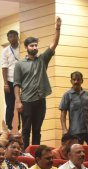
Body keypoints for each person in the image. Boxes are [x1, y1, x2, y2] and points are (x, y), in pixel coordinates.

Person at [14, 17, 61, 150]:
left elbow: (54, 44)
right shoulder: (20, 64)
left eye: (36, 45)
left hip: (40, 100)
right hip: (26, 101)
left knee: (37, 129)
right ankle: (24, 152)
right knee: (26, 128)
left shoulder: (42, 59)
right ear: (26, 47)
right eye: (32, 45)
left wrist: (57, 28)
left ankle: (34, 152)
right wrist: (18, 101)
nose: (34, 47)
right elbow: (16, 84)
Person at [60, 71, 88, 152]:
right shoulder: (67, 95)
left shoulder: (86, 94)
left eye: (78, 79)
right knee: (76, 153)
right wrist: (64, 129)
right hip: (75, 132)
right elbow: (63, 114)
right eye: (74, 80)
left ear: (82, 81)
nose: (76, 82)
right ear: (71, 81)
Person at [1, 30, 20, 131]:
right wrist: (5, 84)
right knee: (10, 105)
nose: (12, 38)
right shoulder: (5, 50)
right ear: (8, 39)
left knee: (21, 104)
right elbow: (4, 67)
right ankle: (8, 126)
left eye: (14, 36)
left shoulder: (23, 48)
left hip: (22, 81)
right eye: (10, 37)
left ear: (18, 37)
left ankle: (20, 126)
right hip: (10, 80)